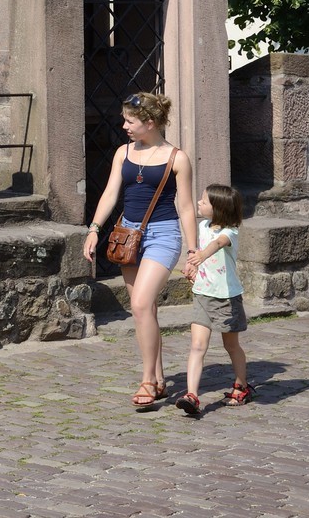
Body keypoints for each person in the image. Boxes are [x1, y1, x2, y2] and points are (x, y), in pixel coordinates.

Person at [82, 91, 198, 409]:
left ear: (149, 122)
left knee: (142, 303)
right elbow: (109, 195)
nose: (124, 126)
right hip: (127, 236)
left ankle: (146, 379)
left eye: (130, 121)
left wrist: (193, 251)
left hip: (163, 235)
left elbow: (187, 208)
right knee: (144, 310)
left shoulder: (177, 159)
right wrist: (94, 229)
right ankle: (159, 379)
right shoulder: (124, 153)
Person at [175, 183, 252, 415]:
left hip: (226, 298)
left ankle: (241, 385)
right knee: (197, 346)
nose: (199, 203)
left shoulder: (230, 233)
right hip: (202, 295)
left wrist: (200, 256)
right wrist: (193, 267)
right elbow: (202, 252)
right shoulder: (202, 225)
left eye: (204, 201)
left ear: (218, 209)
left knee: (231, 345)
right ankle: (192, 395)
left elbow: (216, 245)